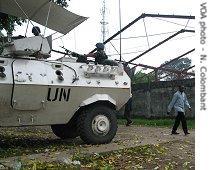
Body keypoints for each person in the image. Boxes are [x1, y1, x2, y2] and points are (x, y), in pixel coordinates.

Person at [123, 62, 134, 126]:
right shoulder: (128, 71)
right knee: (128, 110)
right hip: (129, 95)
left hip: (128, 96)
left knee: (127, 110)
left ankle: (129, 121)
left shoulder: (127, 71)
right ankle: (129, 121)